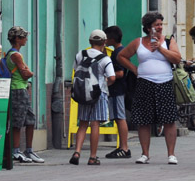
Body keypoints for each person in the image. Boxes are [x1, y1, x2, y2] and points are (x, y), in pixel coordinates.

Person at [117, 12, 182, 165]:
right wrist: (133, 68)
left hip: (165, 82)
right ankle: (145, 154)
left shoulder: (168, 41)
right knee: (144, 120)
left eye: (161, 24)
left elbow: (177, 58)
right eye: (156, 25)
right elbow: (121, 56)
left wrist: (160, 48)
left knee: (169, 119)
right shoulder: (138, 42)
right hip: (144, 83)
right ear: (148, 28)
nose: (160, 27)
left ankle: (171, 154)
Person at [70, 30, 115, 166]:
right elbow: (112, 77)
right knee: (95, 124)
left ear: (90, 42)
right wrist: (105, 84)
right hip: (98, 94)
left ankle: (77, 152)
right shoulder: (105, 59)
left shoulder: (80, 55)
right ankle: (93, 157)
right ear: (104, 42)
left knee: (83, 123)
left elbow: (75, 70)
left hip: (83, 93)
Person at [6, 26, 44, 164]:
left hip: (22, 89)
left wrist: (28, 71)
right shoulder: (15, 55)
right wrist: (30, 72)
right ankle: (15, 151)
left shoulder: (15, 54)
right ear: (17, 39)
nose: (26, 39)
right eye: (23, 37)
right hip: (17, 90)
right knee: (17, 122)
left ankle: (29, 149)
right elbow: (26, 73)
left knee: (30, 120)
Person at [103, 26, 132, 159]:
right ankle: (122, 147)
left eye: (106, 38)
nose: (105, 40)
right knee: (119, 117)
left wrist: (107, 77)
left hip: (116, 89)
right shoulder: (121, 50)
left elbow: (120, 73)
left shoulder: (117, 53)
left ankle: (123, 147)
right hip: (119, 89)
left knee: (120, 118)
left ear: (112, 39)